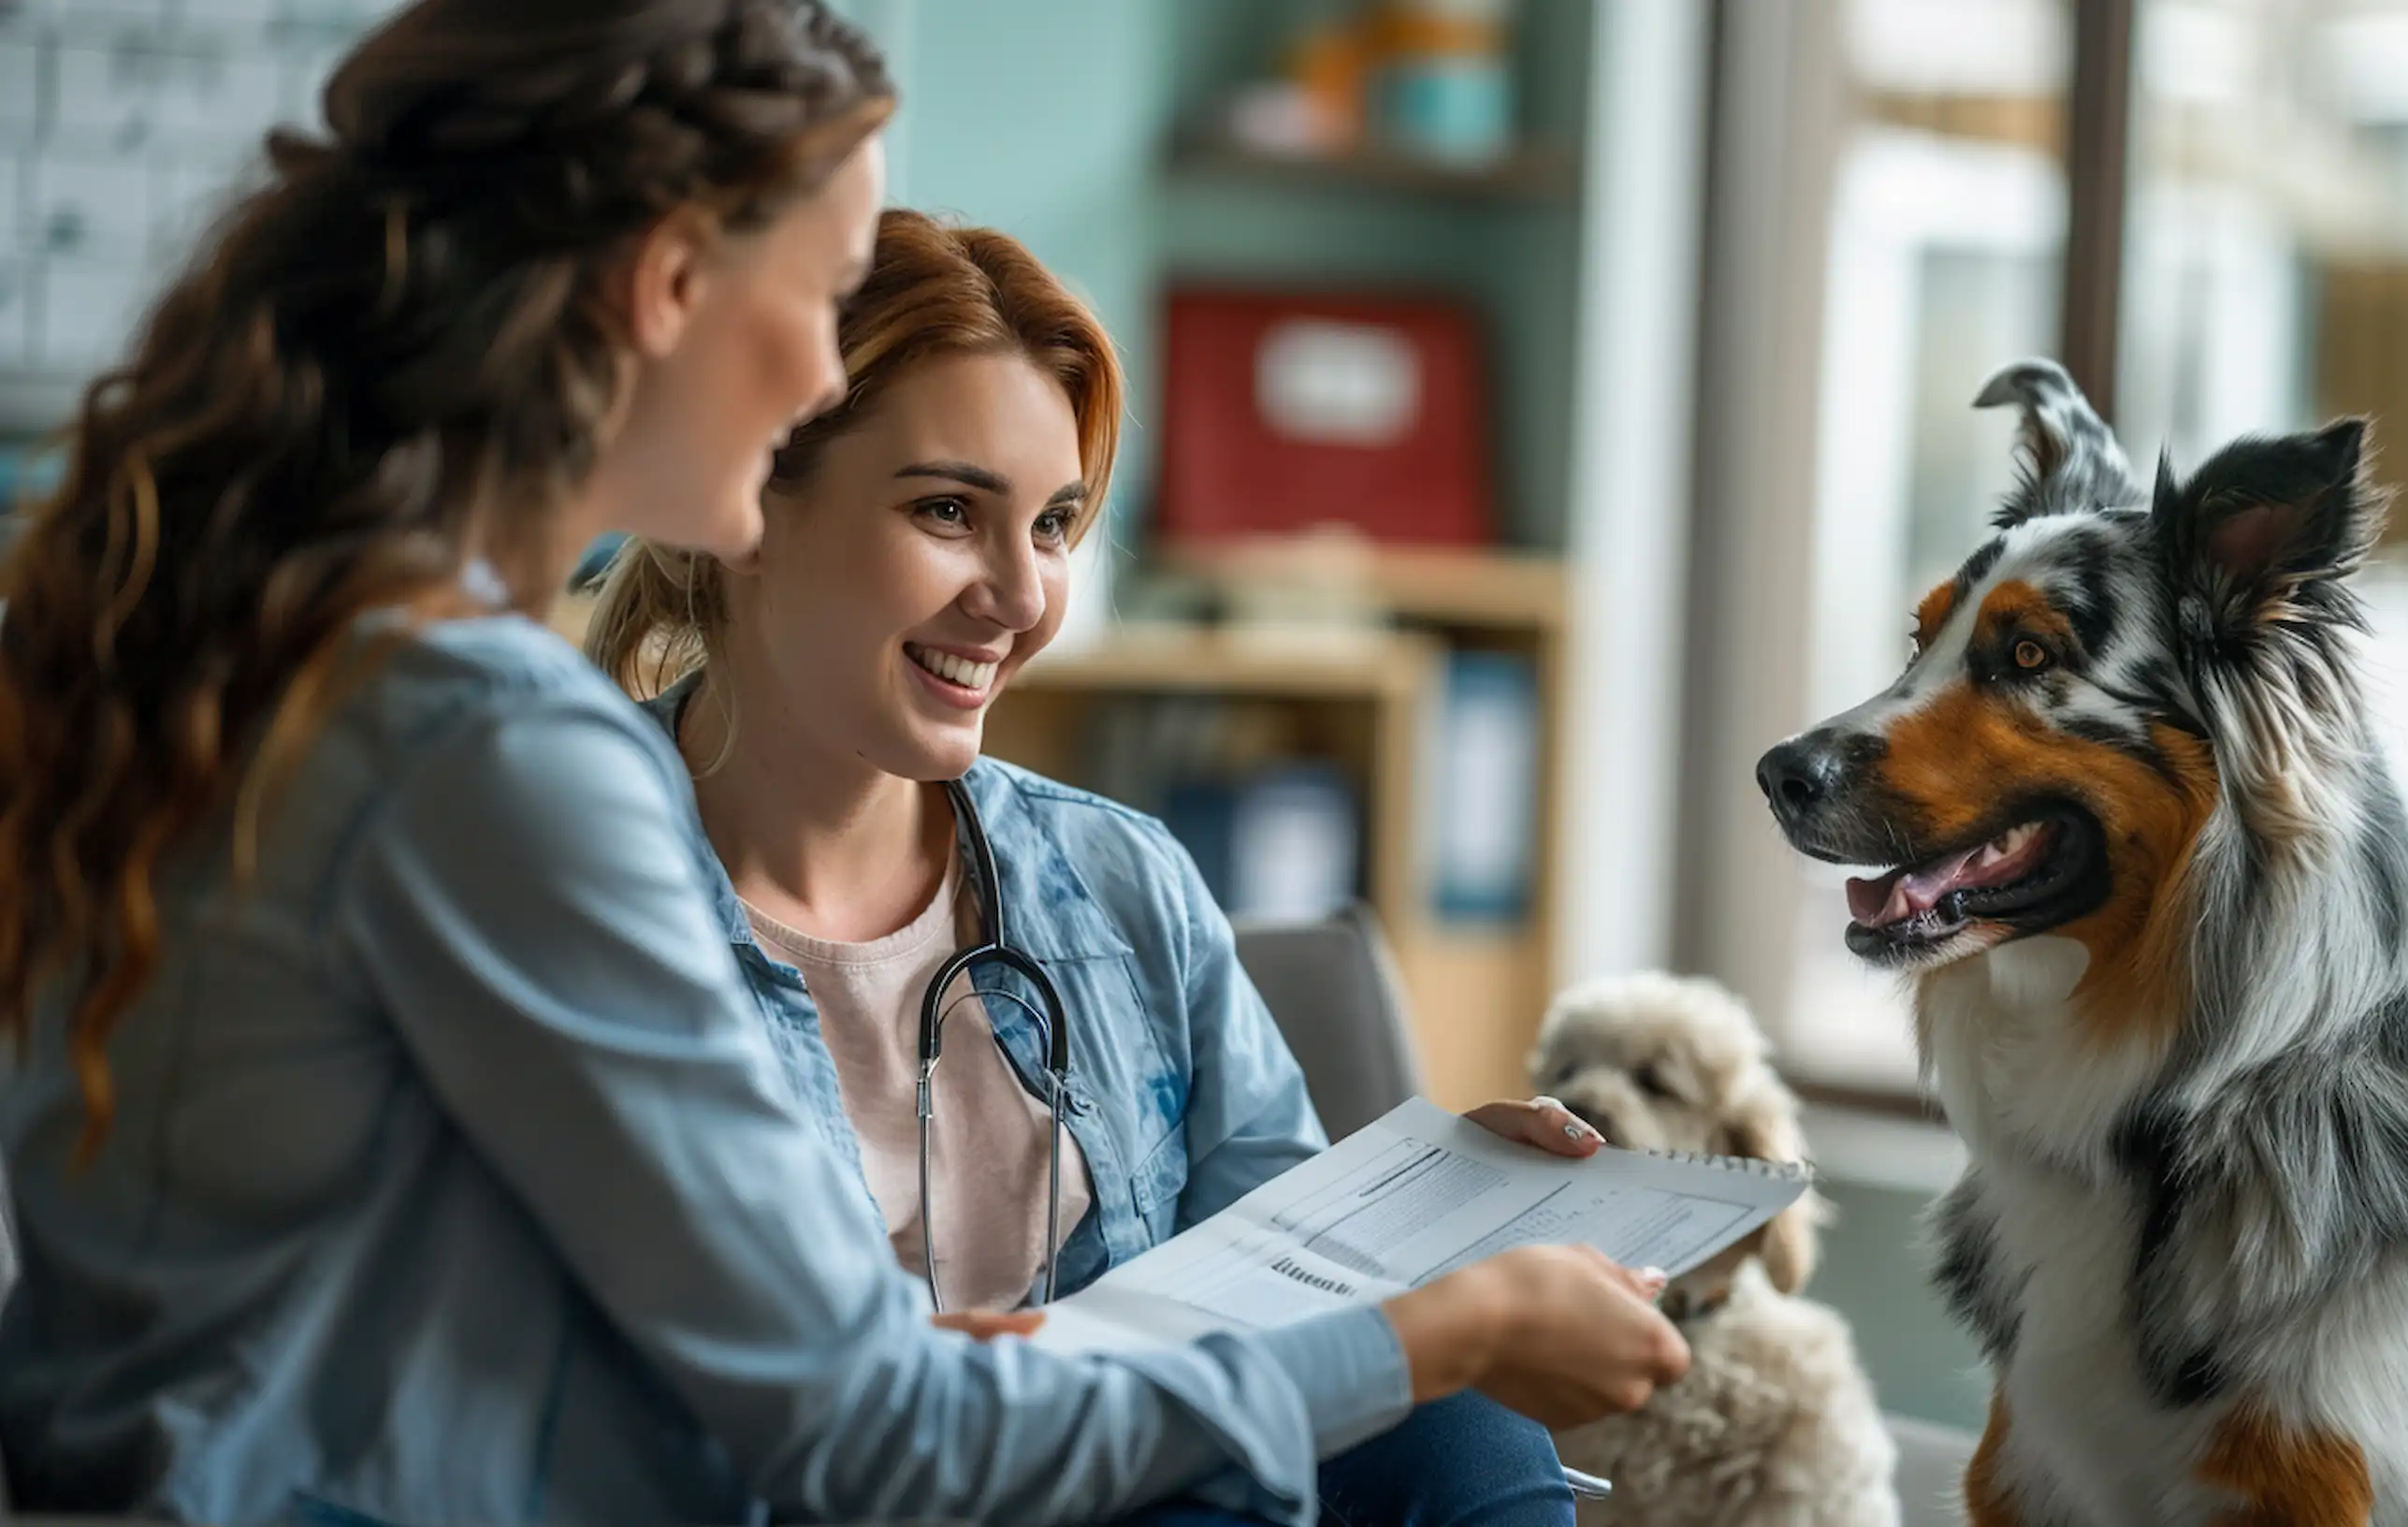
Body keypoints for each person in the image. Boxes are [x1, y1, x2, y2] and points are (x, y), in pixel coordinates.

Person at [0, 3, 1690, 1524]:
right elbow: (861, 1444)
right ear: (669, 286)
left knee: (1418, 1443)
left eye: (1054, 524)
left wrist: (1390, 1270)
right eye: (816, 303)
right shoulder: (485, 745)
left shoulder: (326, 666)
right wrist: (1444, 1324)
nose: (817, 370)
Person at [582, 207, 1618, 1526]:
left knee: (1456, 1420)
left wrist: (1420, 1231)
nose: (1020, 598)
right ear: (741, 508)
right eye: (948, 511)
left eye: (1057, 524)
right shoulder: (555, 897)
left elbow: (1282, 1296)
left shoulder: (1119, 883)